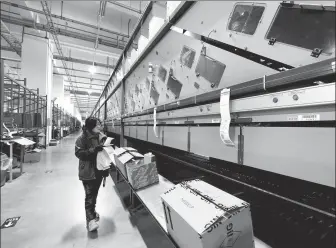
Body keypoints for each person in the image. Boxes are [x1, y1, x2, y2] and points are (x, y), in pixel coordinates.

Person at [75, 117, 109, 232]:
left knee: (94, 194)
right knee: (89, 196)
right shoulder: (82, 139)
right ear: (91, 126)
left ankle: (92, 213)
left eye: (100, 124)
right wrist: (93, 150)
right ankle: (90, 221)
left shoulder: (100, 136)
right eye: (98, 125)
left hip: (99, 170)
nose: (100, 126)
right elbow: (79, 153)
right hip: (88, 172)